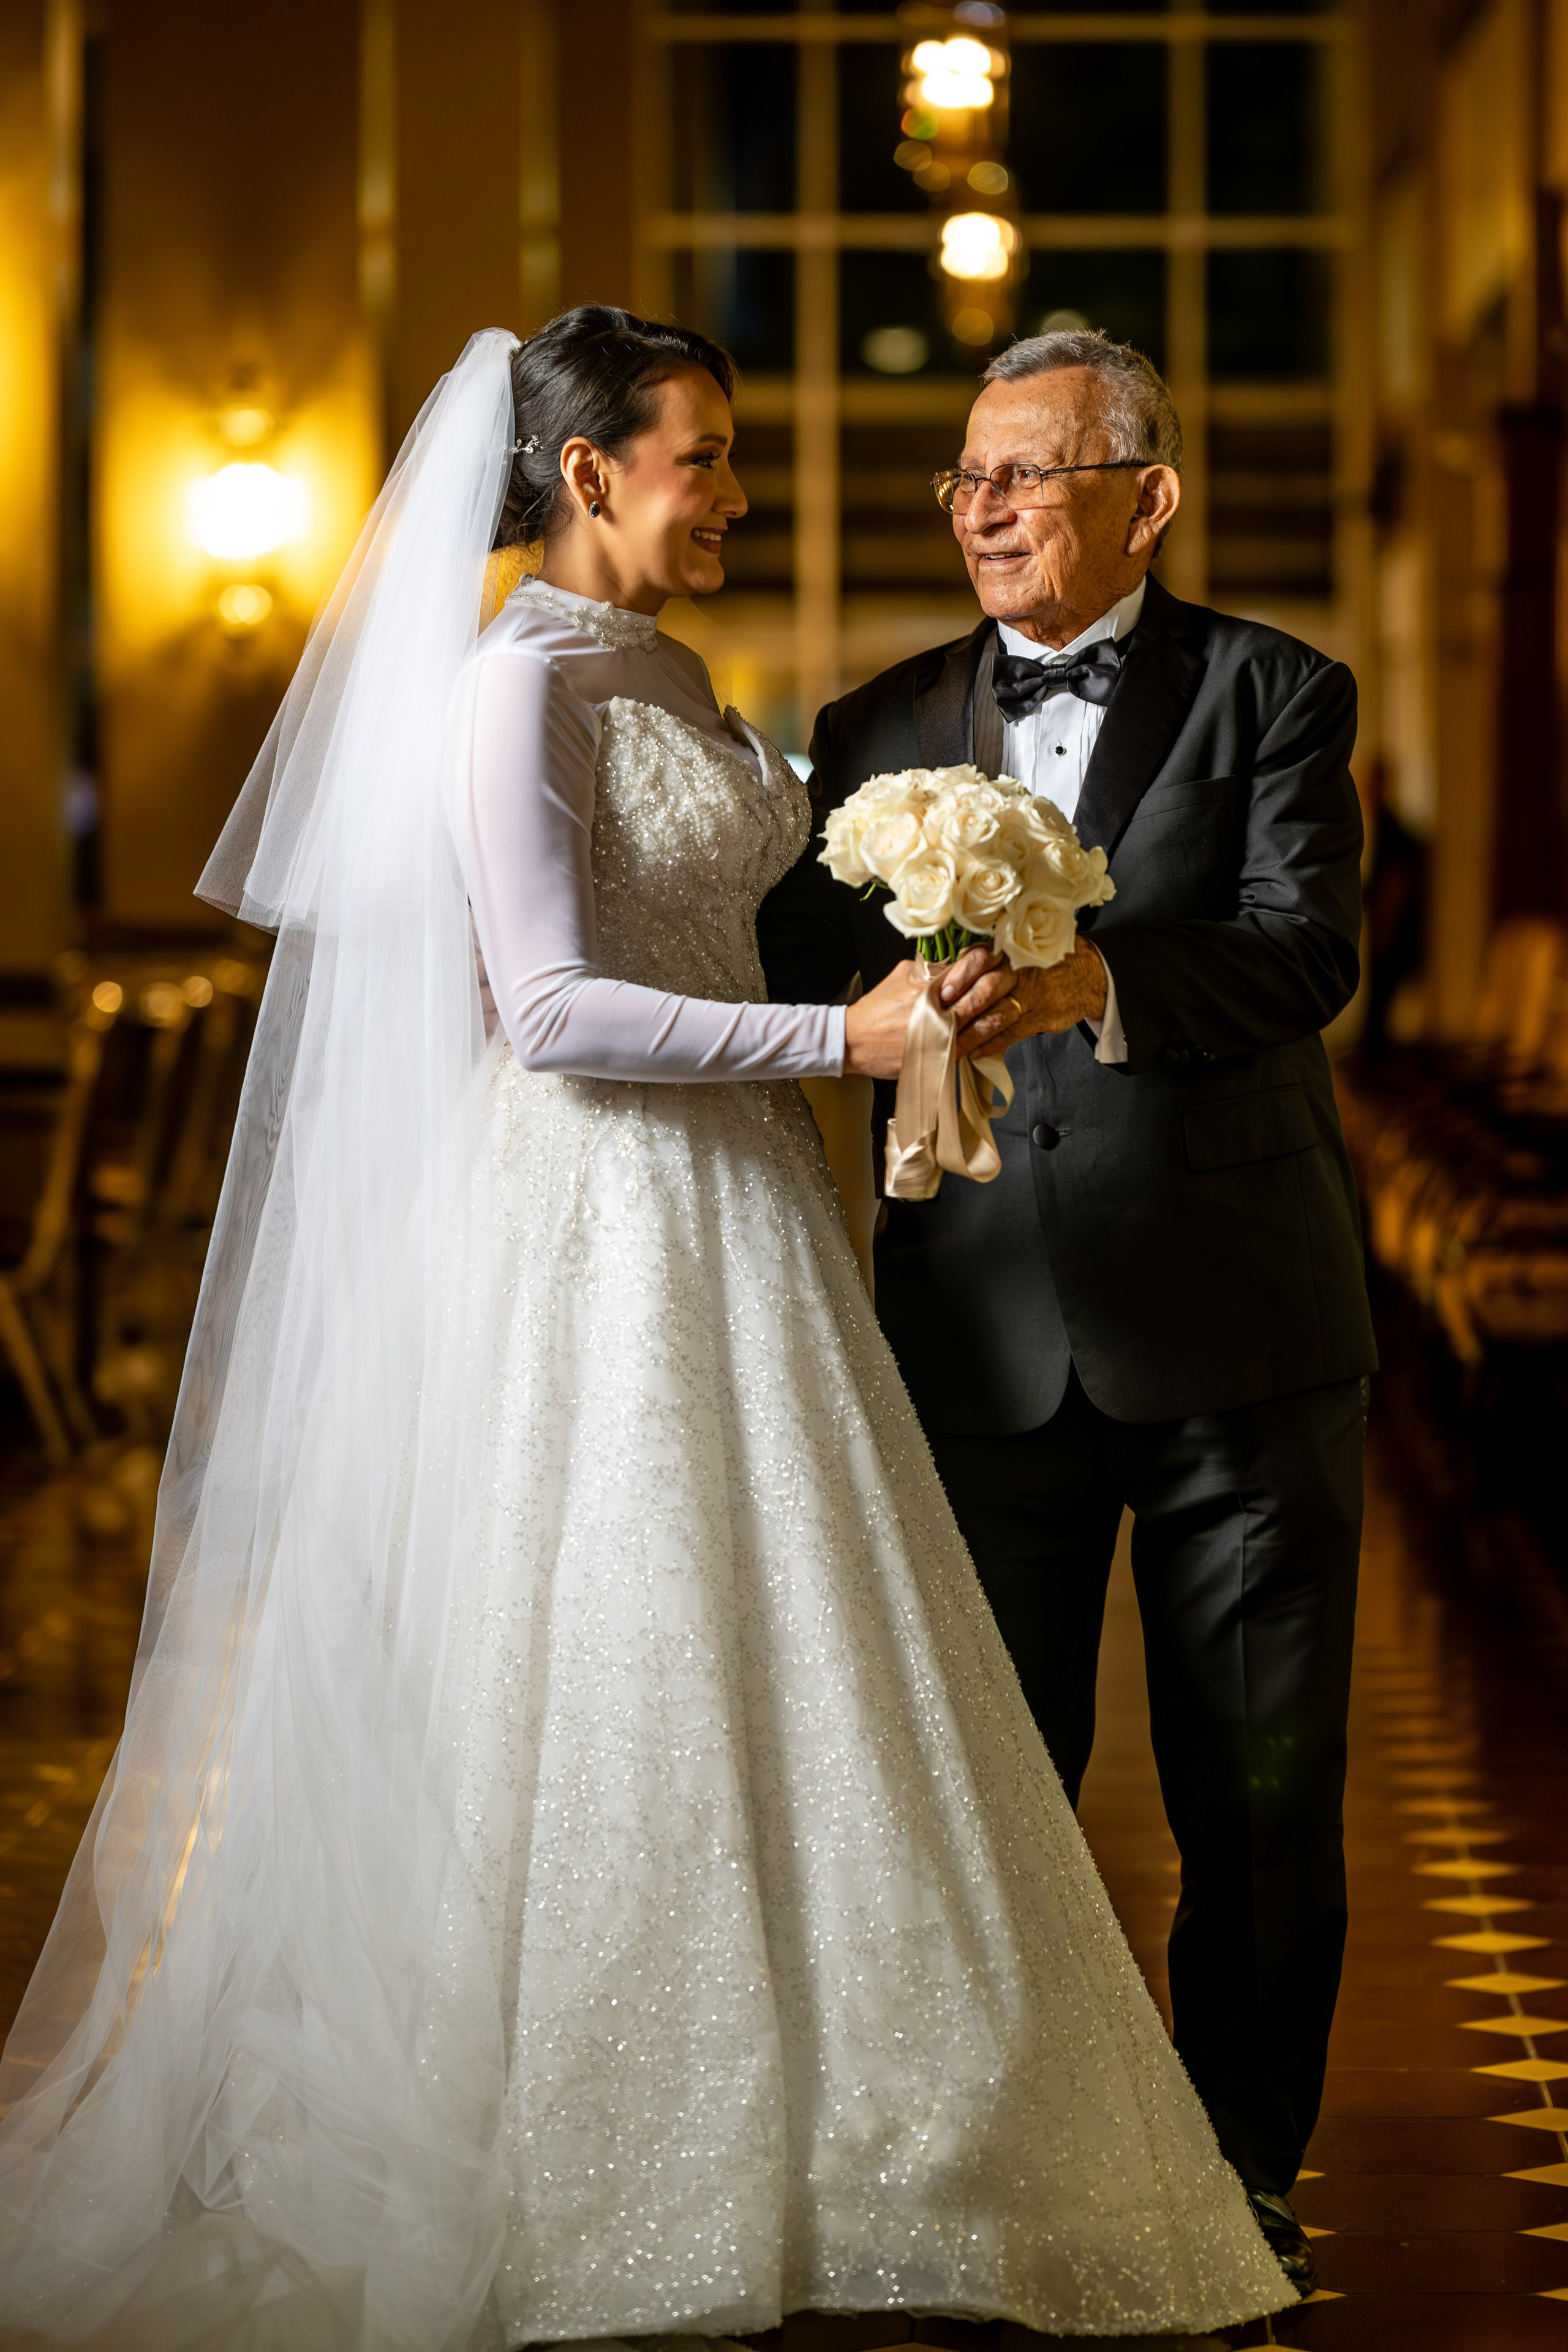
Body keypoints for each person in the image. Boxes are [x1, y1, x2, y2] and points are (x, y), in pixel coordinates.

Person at [0, 312, 1290, 2350]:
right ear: (587, 472)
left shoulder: (666, 675)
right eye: (707, 459)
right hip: (599, 1220)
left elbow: (753, 917)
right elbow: (545, 1013)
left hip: (754, 1219)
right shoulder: (505, 691)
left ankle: (842, 2138)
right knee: (611, 1661)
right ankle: (601, 2145)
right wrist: (843, 1035)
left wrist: (932, 971)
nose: (741, 493)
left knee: (798, 1667)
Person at [758, 328, 1376, 2297]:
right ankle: (1008, 2170)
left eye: (1028, 472)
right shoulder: (871, 727)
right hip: (973, 1332)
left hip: (1240, 1334)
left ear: (1147, 497)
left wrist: (1088, 983)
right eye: (965, 477)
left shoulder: (1278, 690)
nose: (986, 508)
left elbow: (1302, 953)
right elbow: (784, 981)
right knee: (980, 1789)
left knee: (1257, 1799)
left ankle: (1239, 2177)